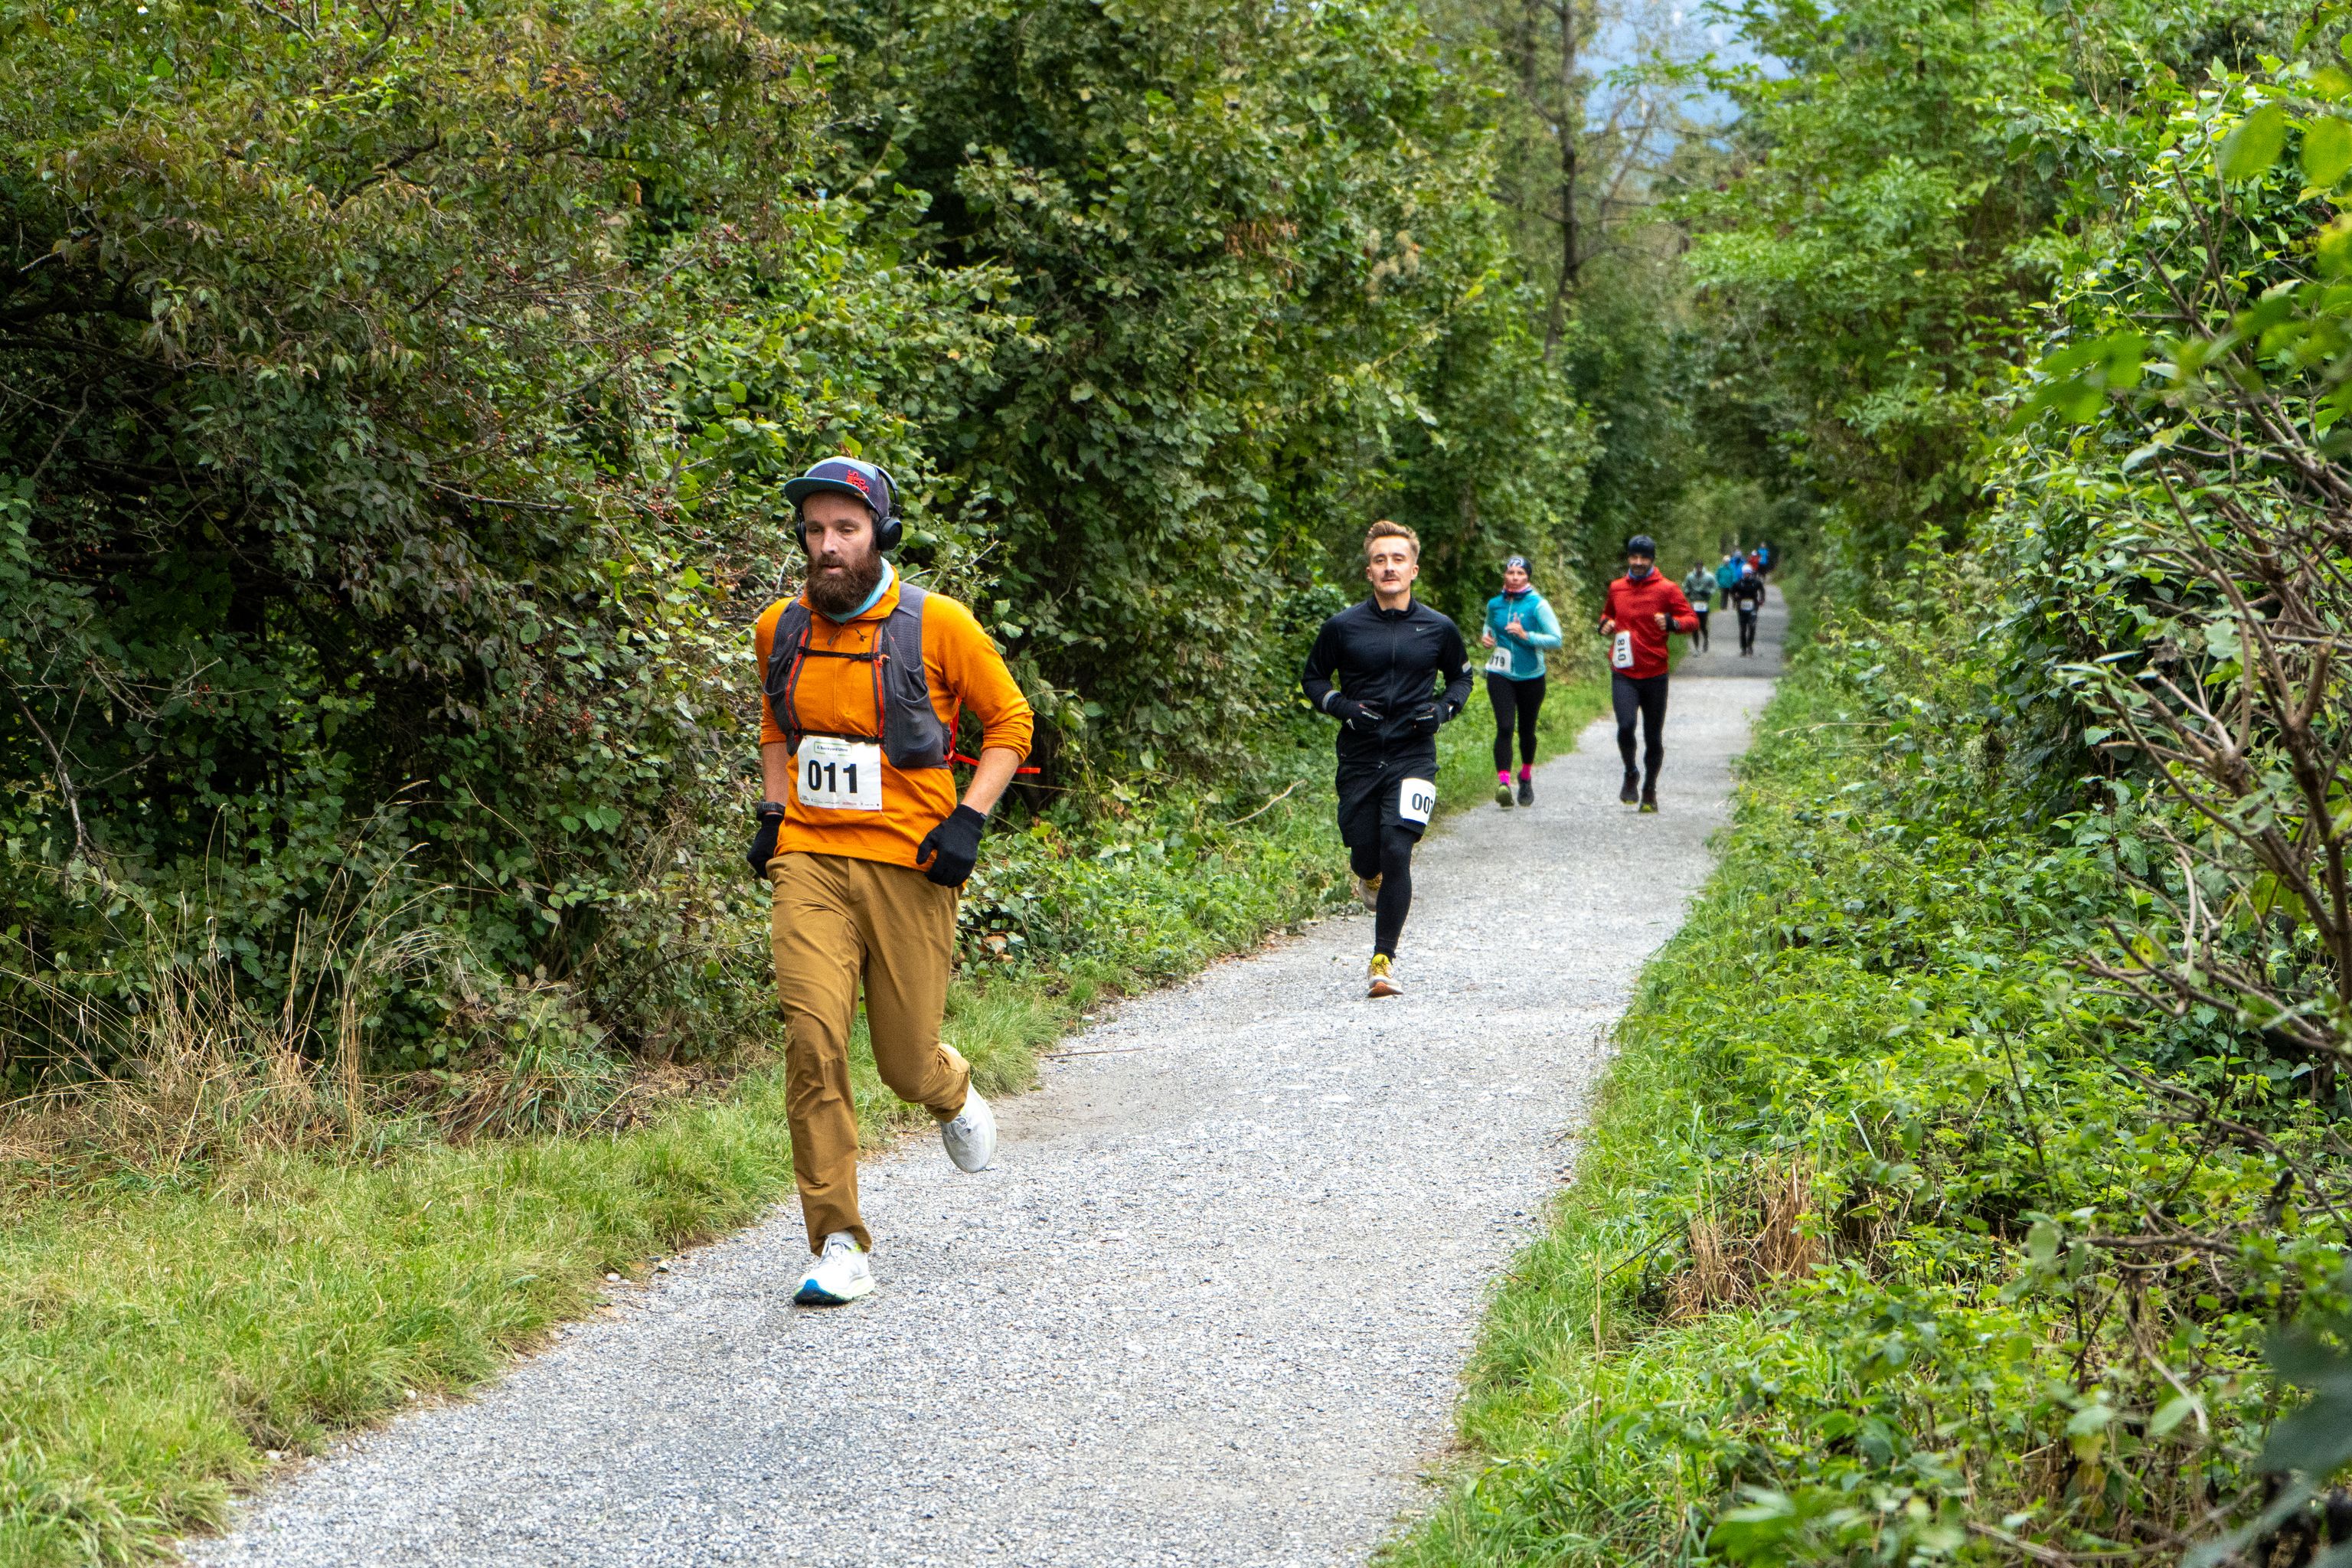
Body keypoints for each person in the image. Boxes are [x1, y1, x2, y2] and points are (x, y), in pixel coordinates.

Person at [746, 456, 1035, 1306]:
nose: (827, 546)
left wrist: (968, 819)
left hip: (911, 864)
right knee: (813, 1042)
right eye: (814, 530)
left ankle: (949, 1088)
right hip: (809, 858)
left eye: (846, 528)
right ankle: (838, 1242)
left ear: (881, 534)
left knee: (904, 1063)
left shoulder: (935, 624)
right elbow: (775, 724)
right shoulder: (779, 627)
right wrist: (773, 813)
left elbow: (1010, 721)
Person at [1302, 519, 1473, 998]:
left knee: (1399, 849)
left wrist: (1441, 711)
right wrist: (1342, 707)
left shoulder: (1438, 628)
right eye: (1380, 560)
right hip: (1359, 756)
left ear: (1414, 569)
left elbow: (1462, 679)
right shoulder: (1342, 627)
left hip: (1413, 754)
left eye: (1398, 559)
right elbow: (1313, 679)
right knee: (1365, 851)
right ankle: (1368, 874)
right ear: (1369, 572)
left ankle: (1383, 962)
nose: (1389, 567)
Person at [1597, 534, 1697, 813]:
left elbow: (1692, 620)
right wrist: (1604, 625)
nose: (1638, 562)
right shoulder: (1617, 587)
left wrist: (1672, 623)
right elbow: (1607, 615)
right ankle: (1631, 771)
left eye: (1644, 558)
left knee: (1653, 737)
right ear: (1628, 558)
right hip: (1624, 670)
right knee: (1625, 726)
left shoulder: (1667, 589)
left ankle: (1650, 788)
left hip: (1655, 673)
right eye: (1634, 557)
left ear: (1652, 559)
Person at [1479, 554, 1563, 808]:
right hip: (1500, 674)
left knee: (1527, 731)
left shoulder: (1538, 605)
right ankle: (1504, 784)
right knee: (1505, 727)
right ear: (1505, 575)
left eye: (1520, 574)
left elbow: (1556, 639)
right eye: (1511, 573)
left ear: (1527, 577)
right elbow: (1489, 626)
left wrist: (1527, 636)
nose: (1515, 578)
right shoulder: (1495, 604)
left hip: (1531, 676)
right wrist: (1487, 637)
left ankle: (1525, 776)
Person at [1730, 560, 1767, 656]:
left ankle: (1750, 645)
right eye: (1745, 573)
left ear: (1751, 573)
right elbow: (1732, 592)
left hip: (1753, 607)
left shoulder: (1756, 582)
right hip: (1741, 608)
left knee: (1752, 627)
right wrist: (1735, 598)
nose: (1747, 574)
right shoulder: (1738, 583)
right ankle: (1743, 649)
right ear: (1743, 573)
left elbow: (1762, 590)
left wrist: (1761, 599)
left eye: (1748, 573)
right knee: (1743, 630)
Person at [1680, 561, 1714, 652]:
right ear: (1695, 567)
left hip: (1703, 603)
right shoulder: (1690, 576)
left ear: (1702, 567)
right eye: (1697, 567)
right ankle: (1696, 647)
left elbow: (1714, 587)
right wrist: (1687, 592)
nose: (1699, 568)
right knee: (1694, 625)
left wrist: (1709, 592)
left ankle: (1706, 639)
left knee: (1703, 625)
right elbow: (1686, 586)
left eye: (1700, 567)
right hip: (1694, 603)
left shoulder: (1709, 576)